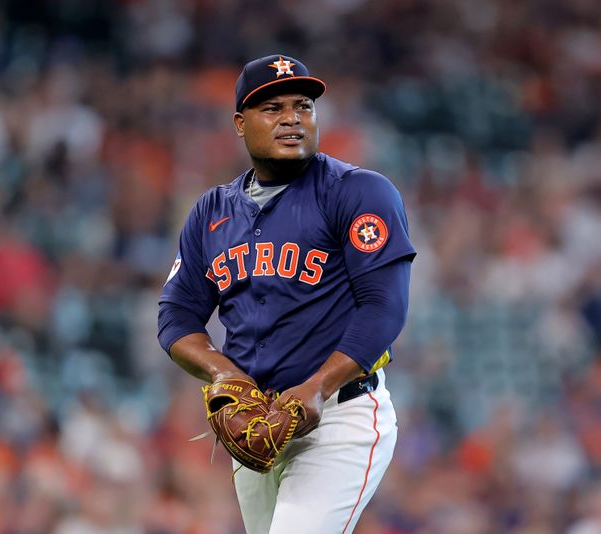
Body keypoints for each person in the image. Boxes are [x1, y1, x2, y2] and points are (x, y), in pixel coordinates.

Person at [157, 53, 416, 534]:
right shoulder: (211, 211)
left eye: (303, 105)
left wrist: (316, 387)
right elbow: (175, 316)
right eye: (272, 108)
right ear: (240, 123)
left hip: (340, 416)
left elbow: (385, 308)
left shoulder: (358, 193)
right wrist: (224, 375)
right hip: (257, 425)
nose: (292, 118)